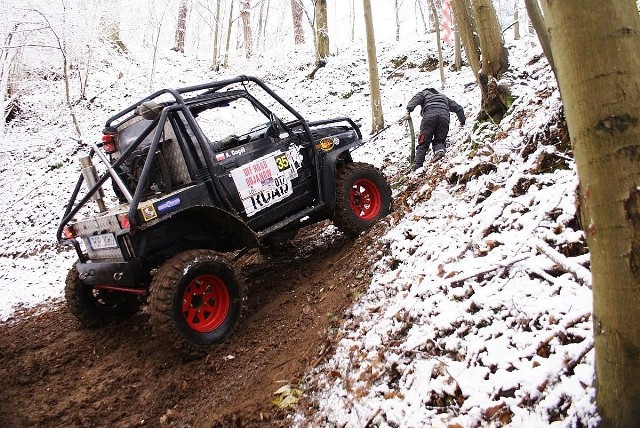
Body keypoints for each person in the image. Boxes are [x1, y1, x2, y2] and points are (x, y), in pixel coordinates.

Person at [399, 87, 465, 170]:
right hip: (444, 117)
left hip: (429, 116)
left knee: (423, 142)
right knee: (439, 140)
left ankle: (417, 166)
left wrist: (408, 110)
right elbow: (458, 108)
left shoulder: (424, 93)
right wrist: (462, 122)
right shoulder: (443, 97)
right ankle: (439, 151)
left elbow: (416, 99)